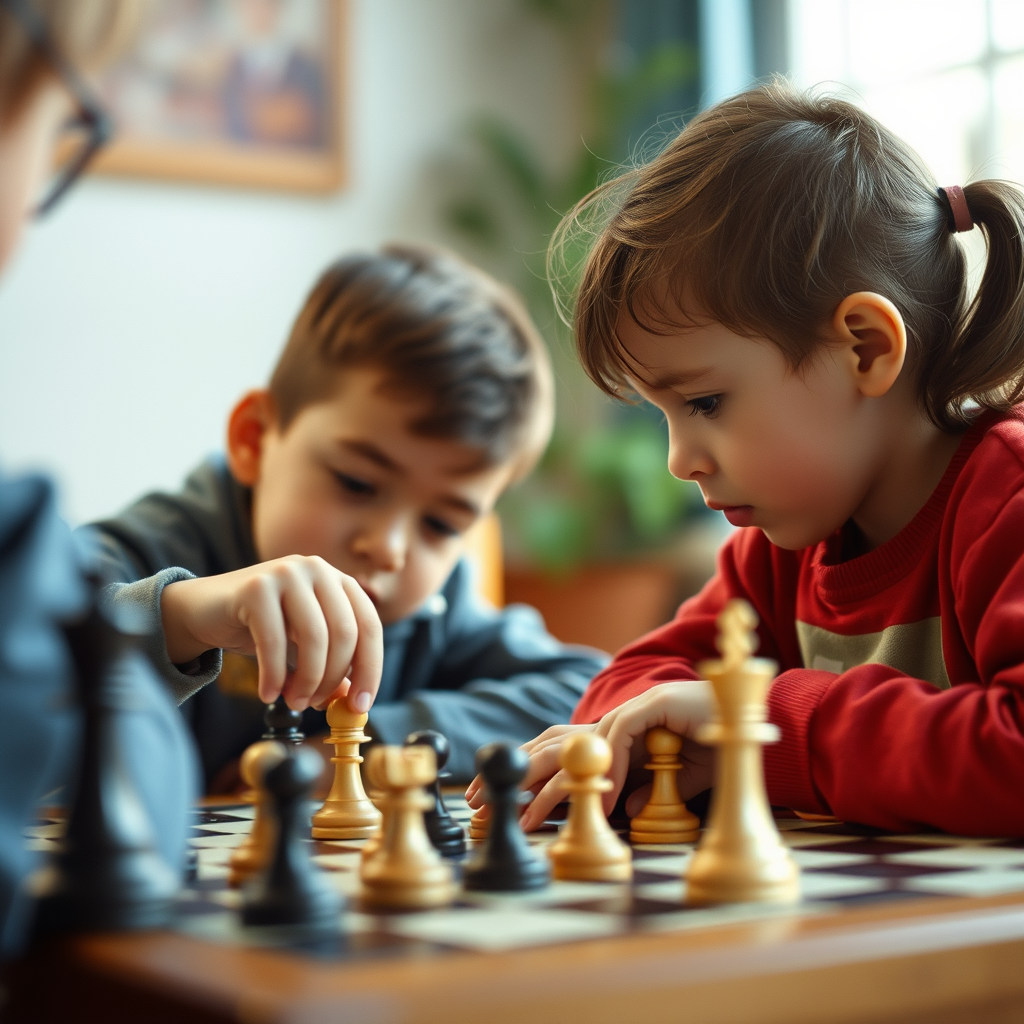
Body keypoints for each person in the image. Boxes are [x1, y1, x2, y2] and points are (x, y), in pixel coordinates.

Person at [481, 80, 1024, 838]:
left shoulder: (1008, 501)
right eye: (662, 414)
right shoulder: (775, 553)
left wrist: (766, 728)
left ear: (865, 348)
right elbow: (627, 681)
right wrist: (644, 738)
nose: (678, 461)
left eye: (704, 403)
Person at [90, 245, 609, 786]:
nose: (388, 547)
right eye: (357, 483)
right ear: (255, 439)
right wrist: (184, 616)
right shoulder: (151, 548)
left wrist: (358, 753)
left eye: (441, 525)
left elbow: (590, 686)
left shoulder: (434, 612)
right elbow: (27, 633)